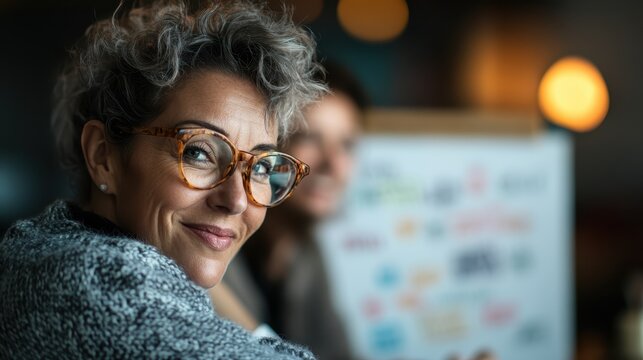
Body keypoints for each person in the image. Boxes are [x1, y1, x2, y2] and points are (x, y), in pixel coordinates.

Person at [0, 1, 327, 358]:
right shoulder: (93, 282)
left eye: (261, 167)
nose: (236, 200)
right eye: (199, 152)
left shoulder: (55, 248)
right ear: (103, 156)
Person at [211, 61, 367, 359]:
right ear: (265, 149)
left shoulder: (307, 253)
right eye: (309, 137)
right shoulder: (212, 249)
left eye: (346, 145)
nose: (332, 164)